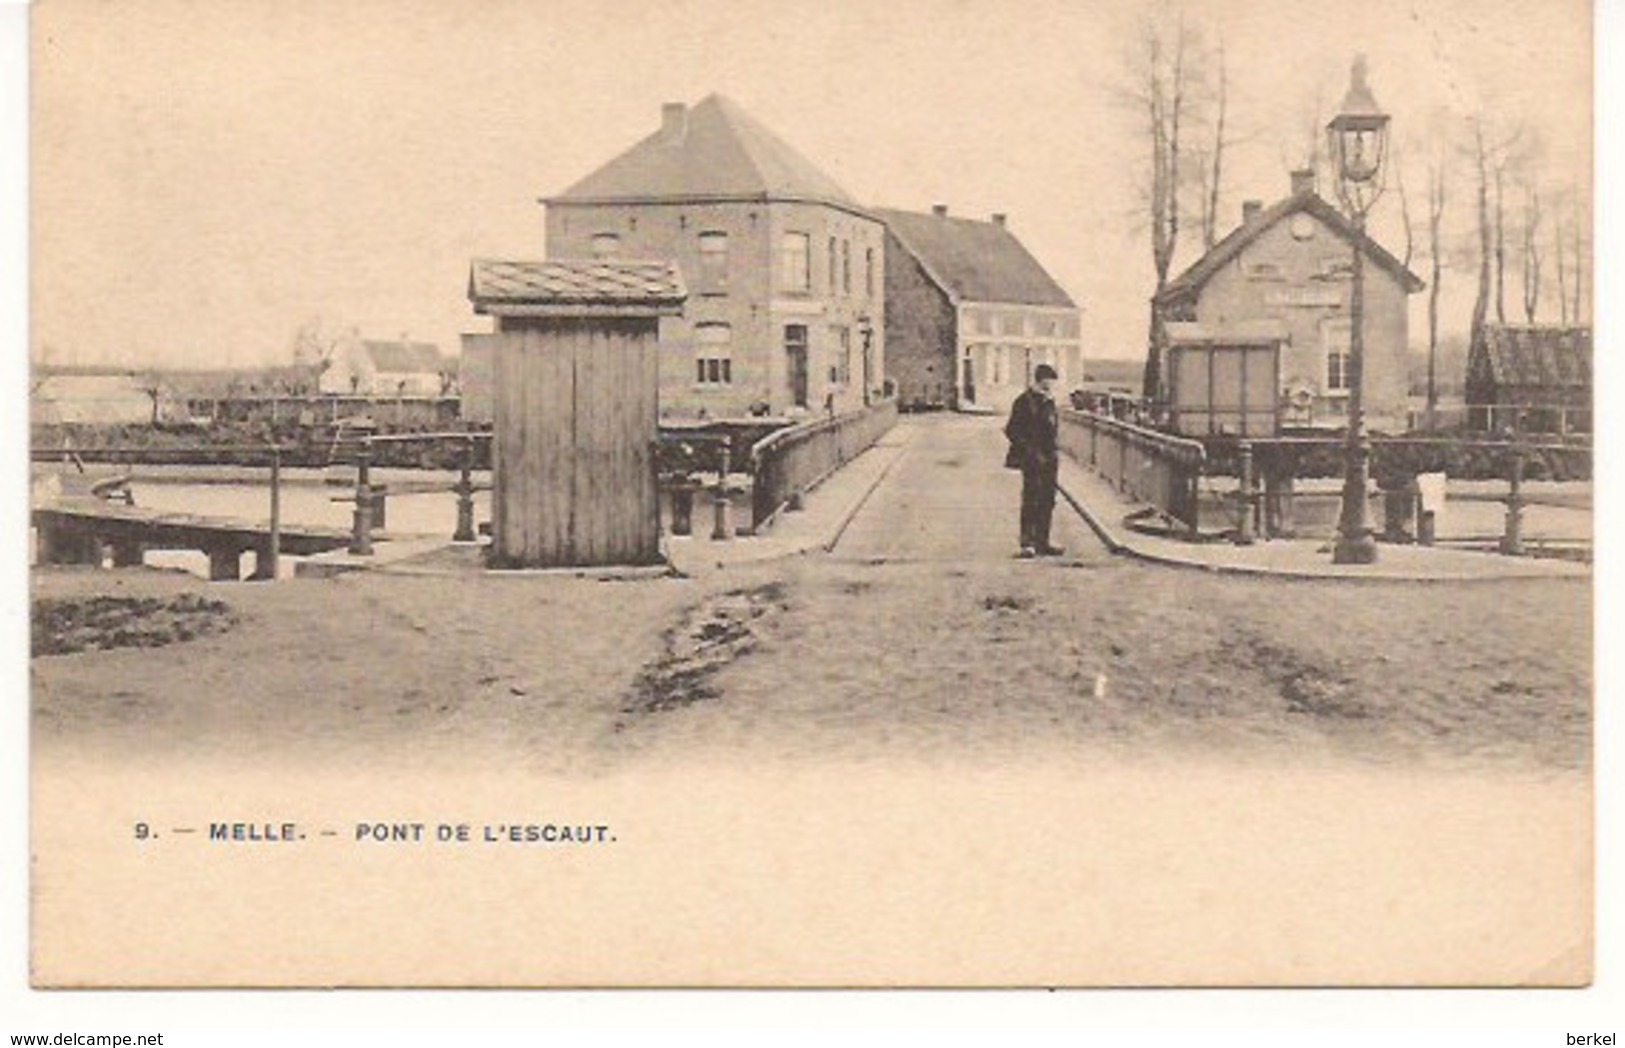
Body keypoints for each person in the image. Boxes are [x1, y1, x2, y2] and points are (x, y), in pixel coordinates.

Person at [1003, 363, 1064, 558]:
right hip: (1032, 458)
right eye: (1049, 380)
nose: (1051, 384)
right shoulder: (1023, 401)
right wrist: (1029, 450)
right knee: (1031, 499)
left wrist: (1054, 452)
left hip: (1050, 458)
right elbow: (1011, 430)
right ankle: (1027, 544)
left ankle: (1042, 542)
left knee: (1048, 500)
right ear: (1041, 380)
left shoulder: (1049, 401)